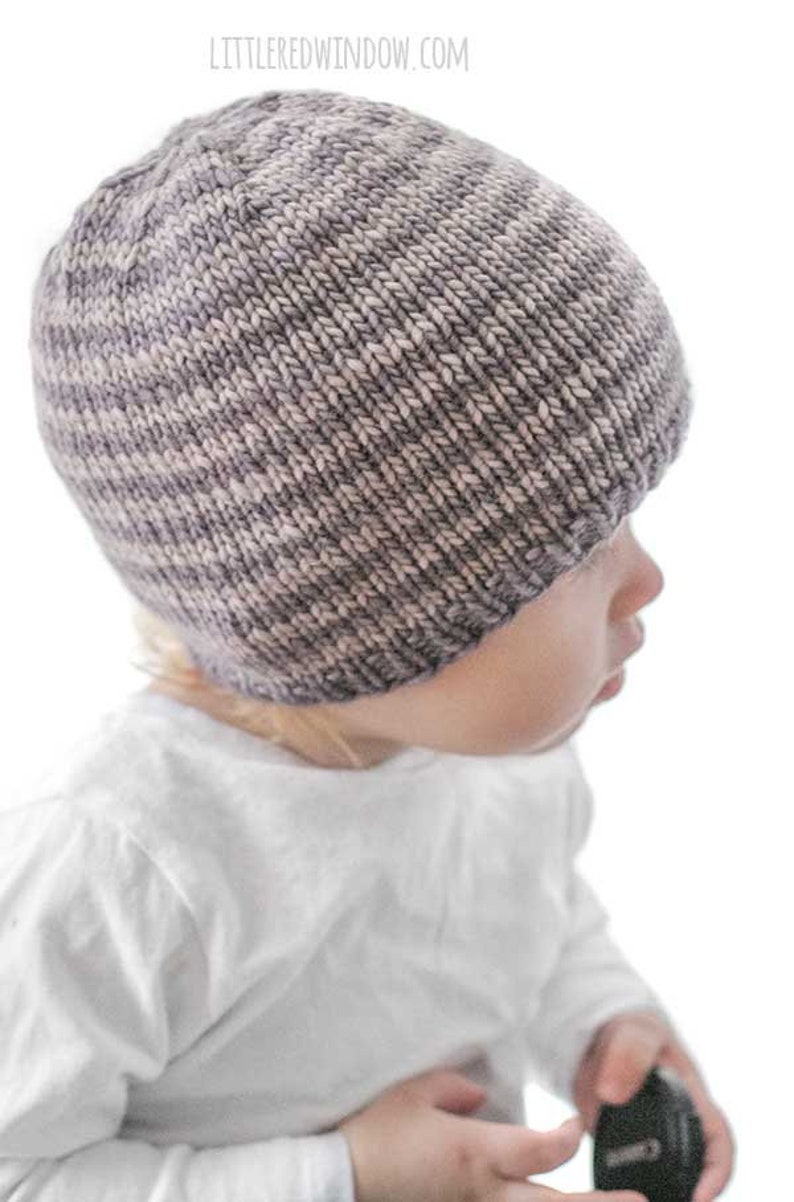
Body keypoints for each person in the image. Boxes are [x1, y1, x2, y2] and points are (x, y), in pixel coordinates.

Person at [5, 88, 734, 1201]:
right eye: (572, 552)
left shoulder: (507, 763)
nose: (645, 576)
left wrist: (600, 1026)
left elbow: (530, 920)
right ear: (360, 620)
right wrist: (338, 1174)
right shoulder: (122, 861)